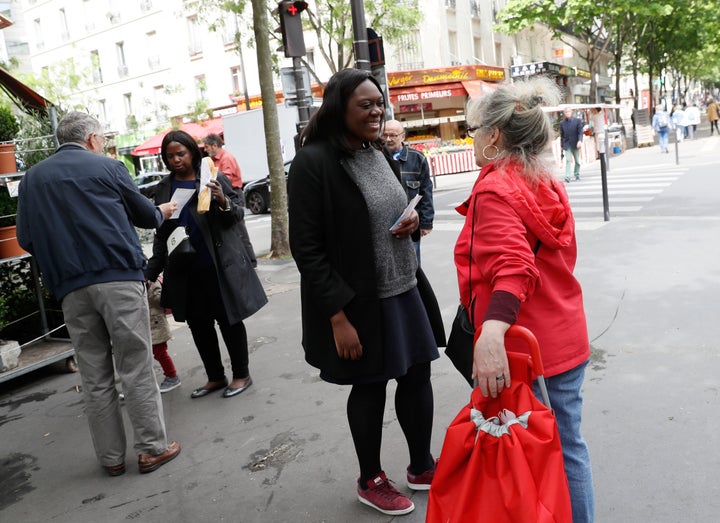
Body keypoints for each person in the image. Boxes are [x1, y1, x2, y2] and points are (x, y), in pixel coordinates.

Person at [288, 69, 445, 517]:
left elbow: (385, 210)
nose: (377, 111)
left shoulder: (375, 151)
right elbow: (307, 248)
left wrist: (410, 220)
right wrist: (338, 317)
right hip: (359, 300)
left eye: (379, 103)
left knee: (416, 375)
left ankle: (421, 465)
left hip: (403, 286)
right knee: (370, 385)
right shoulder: (314, 162)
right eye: (366, 104)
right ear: (341, 108)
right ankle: (370, 478)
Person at [456, 78, 594, 522]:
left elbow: (515, 267)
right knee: (568, 445)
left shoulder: (497, 190)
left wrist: (492, 332)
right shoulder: (546, 183)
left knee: (531, 455)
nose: (473, 138)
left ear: (494, 135)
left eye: (475, 130)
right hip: (565, 333)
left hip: (528, 347)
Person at [16, 111, 181, 476]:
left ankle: (111, 459)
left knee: (94, 374)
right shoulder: (107, 167)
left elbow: (26, 238)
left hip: (70, 287)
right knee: (135, 365)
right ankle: (152, 448)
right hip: (118, 278)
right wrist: (159, 212)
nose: (104, 143)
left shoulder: (32, 179)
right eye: (103, 137)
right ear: (92, 138)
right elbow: (145, 216)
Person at [146, 130, 267, 400]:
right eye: (170, 156)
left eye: (181, 153)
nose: (176, 160)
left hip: (217, 265)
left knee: (228, 321)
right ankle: (215, 376)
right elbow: (161, 232)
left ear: (192, 151)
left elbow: (236, 215)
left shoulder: (211, 176)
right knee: (199, 326)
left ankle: (241, 374)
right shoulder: (164, 187)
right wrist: (152, 270)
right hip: (185, 270)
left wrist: (222, 199)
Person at [382, 119, 434, 265]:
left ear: (402, 137)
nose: (388, 139)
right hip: (385, 226)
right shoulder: (377, 158)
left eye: (392, 135)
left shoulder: (417, 158)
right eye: (384, 135)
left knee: (413, 266)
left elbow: (426, 190)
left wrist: (426, 222)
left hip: (410, 224)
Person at [202, 133, 257, 267]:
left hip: (232, 194)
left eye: (207, 146)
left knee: (239, 229)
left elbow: (225, 178)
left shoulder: (226, 158)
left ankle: (251, 261)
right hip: (223, 195)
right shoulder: (213, 160)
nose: (205, 149)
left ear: (215, 145)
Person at [148, 277, 181, 392]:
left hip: (156, 324)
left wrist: (148, 287)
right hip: (149, 324)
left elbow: (160, 300)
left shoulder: (152, 280)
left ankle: (172, 376)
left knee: (159, 353)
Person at [559, 108, 583, 182]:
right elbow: (562, 135)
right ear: (564, 113)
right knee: (568, 160)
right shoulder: (562, 123)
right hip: (567, 144)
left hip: (576, 143)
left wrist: (579, 140)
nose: (567, 113)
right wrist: (561, 145)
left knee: (577, 161)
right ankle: (567, 176)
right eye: (566, 112)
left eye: (568, 111)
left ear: (571, 112)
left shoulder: (577, 121)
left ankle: (577, 174)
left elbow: (580, 132)